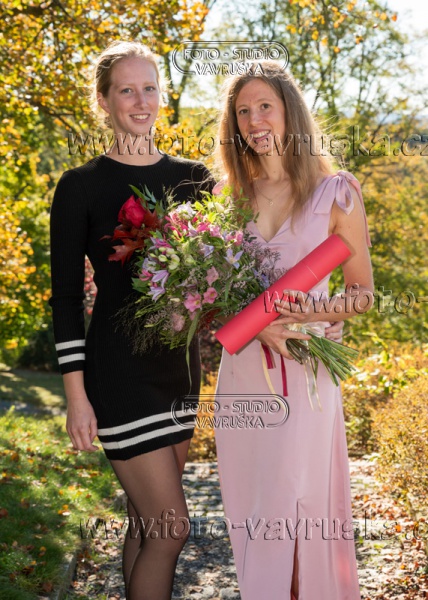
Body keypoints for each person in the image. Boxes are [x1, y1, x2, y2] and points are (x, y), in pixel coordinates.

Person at [49, 41, 214, 600]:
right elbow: (66, 300)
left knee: (147, 523)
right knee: (172, 528)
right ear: (104, 101)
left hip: (180, 373)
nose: (141, 101)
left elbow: (226, 268)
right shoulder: (80, 186)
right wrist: (77, 398)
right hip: (118, 373)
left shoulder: (195, 179)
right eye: (126, 90)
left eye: (149, 88)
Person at [213, 61, 373, 599]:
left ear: (290, 113)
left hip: (304, 372)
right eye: (243, 111)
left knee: (296, 500)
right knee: (253, 507)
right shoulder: (229, 196)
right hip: (242, 373)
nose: (254, 120)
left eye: (265, 106)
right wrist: (247, 322)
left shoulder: (336, 192)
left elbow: (362, 293)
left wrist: (309, 311)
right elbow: (211, 295)